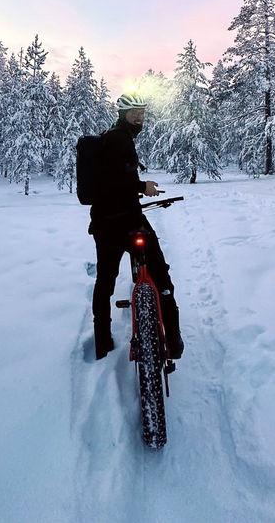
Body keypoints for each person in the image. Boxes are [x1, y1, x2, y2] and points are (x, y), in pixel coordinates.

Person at [89, 92, 184, 361]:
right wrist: (143, 186)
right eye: (134, 113)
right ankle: (174, 339)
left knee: (105, 282)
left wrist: (136, 187)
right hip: (128, 221)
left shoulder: (111, 137)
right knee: (161, 274)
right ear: (122, 114)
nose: (139, 118)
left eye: (142, 113)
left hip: (104, 222)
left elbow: (112, 180)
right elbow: (117, 180)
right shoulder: (120, 139)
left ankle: (102, 341)